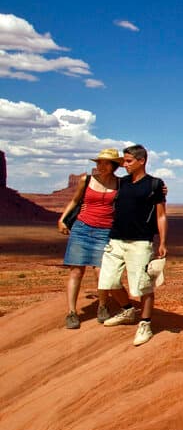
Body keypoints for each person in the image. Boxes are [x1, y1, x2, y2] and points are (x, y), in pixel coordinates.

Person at [98, 144, 167, 346]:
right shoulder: (121, 183)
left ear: (141, 161)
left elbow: (161, 215)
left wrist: (162, 242)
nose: (125, 165)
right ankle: (127, 310)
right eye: (124, 161)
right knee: (108, 282)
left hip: (140, 242)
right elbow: (99, 179)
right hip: (116, 239)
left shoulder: (154, 184)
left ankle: (145, 324)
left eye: (128, 161)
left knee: (143, 286)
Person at [56, 148, 131, 329]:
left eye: (105, 162)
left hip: (105, 231)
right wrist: (62, 219)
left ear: (113, 165)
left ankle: (103, 306)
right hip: (82, 228)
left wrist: (162, 189)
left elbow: (141, 189)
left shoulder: (121, 184)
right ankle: (72, 313)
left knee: (101, 271)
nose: (100, 166)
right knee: (76, 271)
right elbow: (75, 201)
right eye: (98, 162)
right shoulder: (87, 180)